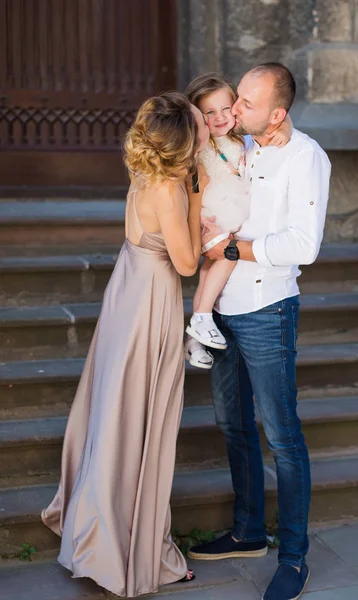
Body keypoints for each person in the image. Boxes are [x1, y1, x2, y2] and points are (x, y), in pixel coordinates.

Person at [41, 91, 210, 598]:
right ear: (184, 144)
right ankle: (128, 550)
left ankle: (96, 532)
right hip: (151, 304)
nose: (206, 130)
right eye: (200, 125)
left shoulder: (143, 173)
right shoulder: (171, 190)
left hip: (126, 294)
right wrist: (197, 193)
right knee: (139, 419)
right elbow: (185, 265)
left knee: (115, 414)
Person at [187, 63, 331, 600]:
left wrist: (233, 248)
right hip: (223, 306)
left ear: (277, 113)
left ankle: (293, 558)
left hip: (268, 310)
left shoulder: (306, 157)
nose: (235, 110)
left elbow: (304, 245)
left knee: (282, 437)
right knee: (234, 427)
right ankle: (249, 531)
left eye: (246, 103)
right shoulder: (238, 146)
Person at [184, 73, 292, 370]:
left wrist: (285, 126)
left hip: (233, 210)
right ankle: (203, 316)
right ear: (196, 115)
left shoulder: (241, 138)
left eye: (225, 108)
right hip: (212, 215)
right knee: (229, 254)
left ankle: (196, 333)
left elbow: (273, 119)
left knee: (210, 269)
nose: (220, 118)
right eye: (209, 112)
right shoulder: (200, 145)